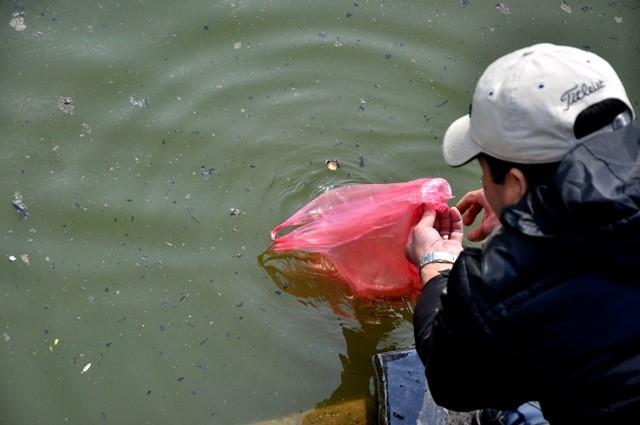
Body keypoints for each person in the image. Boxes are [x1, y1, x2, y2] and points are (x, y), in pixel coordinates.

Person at [405, 43, 640, 423]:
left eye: (484, 169)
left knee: (511, 413)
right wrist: (531, 216)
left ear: (516, 183)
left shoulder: (504, 283)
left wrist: (437, 266)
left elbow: (451, 384)